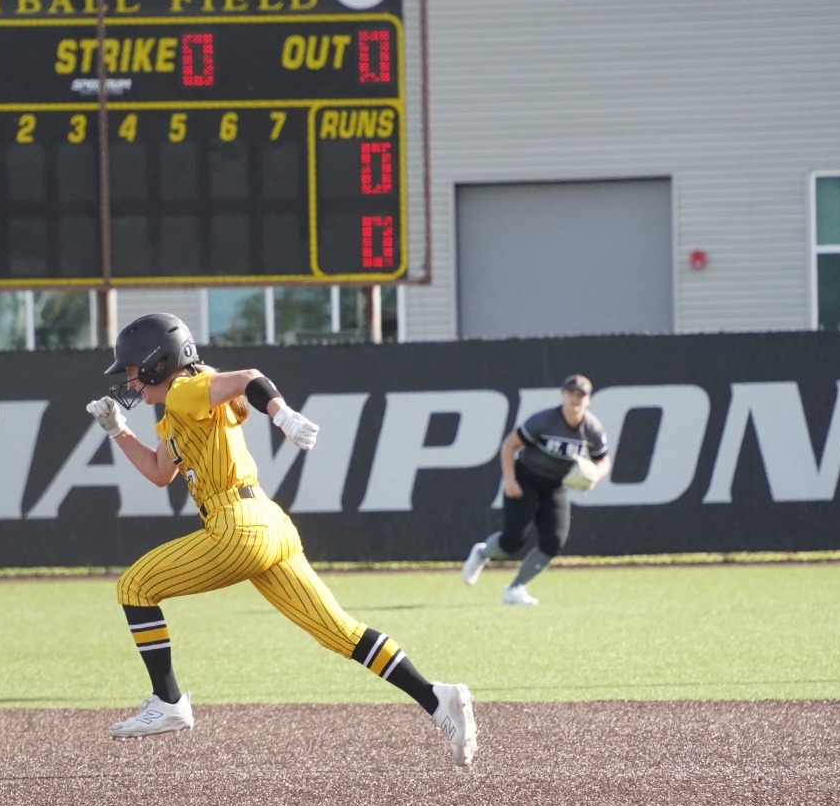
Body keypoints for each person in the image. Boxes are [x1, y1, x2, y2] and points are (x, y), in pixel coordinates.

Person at [86, 312, 476, 764]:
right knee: (340, 632)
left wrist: (281, 413)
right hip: (269, 524)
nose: (130, 382)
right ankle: (435, 697)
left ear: (159, 362)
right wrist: (119, 431)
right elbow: (159, 473)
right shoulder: (180, 405)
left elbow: (248, 377)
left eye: (133, 370)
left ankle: (168, 700)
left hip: (236, 526)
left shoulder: (182, 391)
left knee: (134, 587)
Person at [460, 374, 612, 606]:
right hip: (526, 479)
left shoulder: (592, 429)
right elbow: (509, 445)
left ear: (588, 400)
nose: (575, 399)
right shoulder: (544, 421)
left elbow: (603, 460)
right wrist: (510, 481)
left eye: (581, 395)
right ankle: (482, 553)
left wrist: (596, 474)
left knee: (553, 542)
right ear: (563, 395)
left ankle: (515, 588)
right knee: (512, 541)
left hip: (556, 486)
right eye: (571, 393)